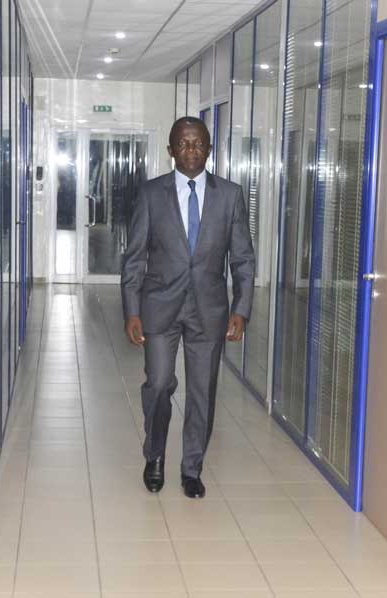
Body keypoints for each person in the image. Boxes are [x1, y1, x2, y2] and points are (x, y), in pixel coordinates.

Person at [120, 116, 255, 498]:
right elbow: (134, 258)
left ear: (209, 149)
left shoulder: (230, 195)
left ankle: (191, 468)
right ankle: (155, 455)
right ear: (170, 150)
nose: (191, 150)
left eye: (198, 143)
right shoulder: (151, 194)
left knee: (202, 392)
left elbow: (243, 258)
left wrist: (241, 309)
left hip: (209, 309)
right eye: (183, 143)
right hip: (159, 305)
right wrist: (132, 311)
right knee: (159, 384)